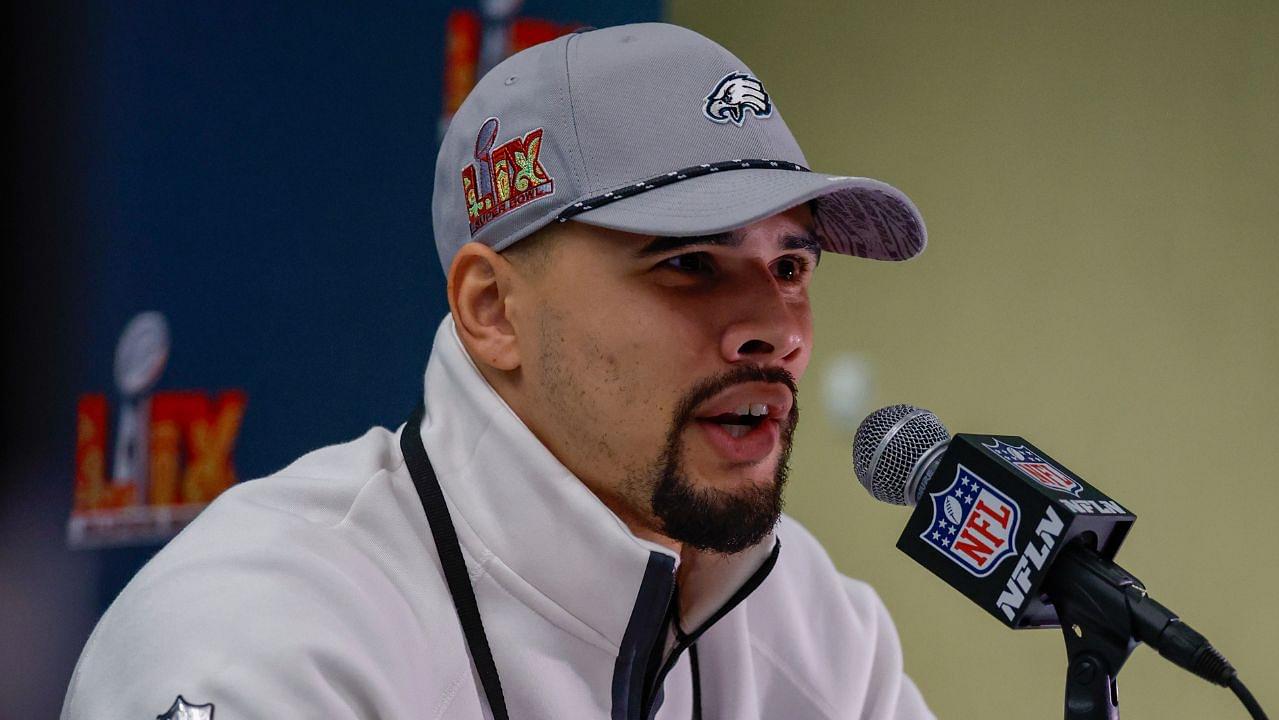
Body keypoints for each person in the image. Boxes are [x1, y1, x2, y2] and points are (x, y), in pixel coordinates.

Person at [63, 22, 933, 719]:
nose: (775, 332)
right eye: (691, 264)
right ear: (492, 310)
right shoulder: (266, 643)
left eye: (791, 266)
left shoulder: (810, 618)